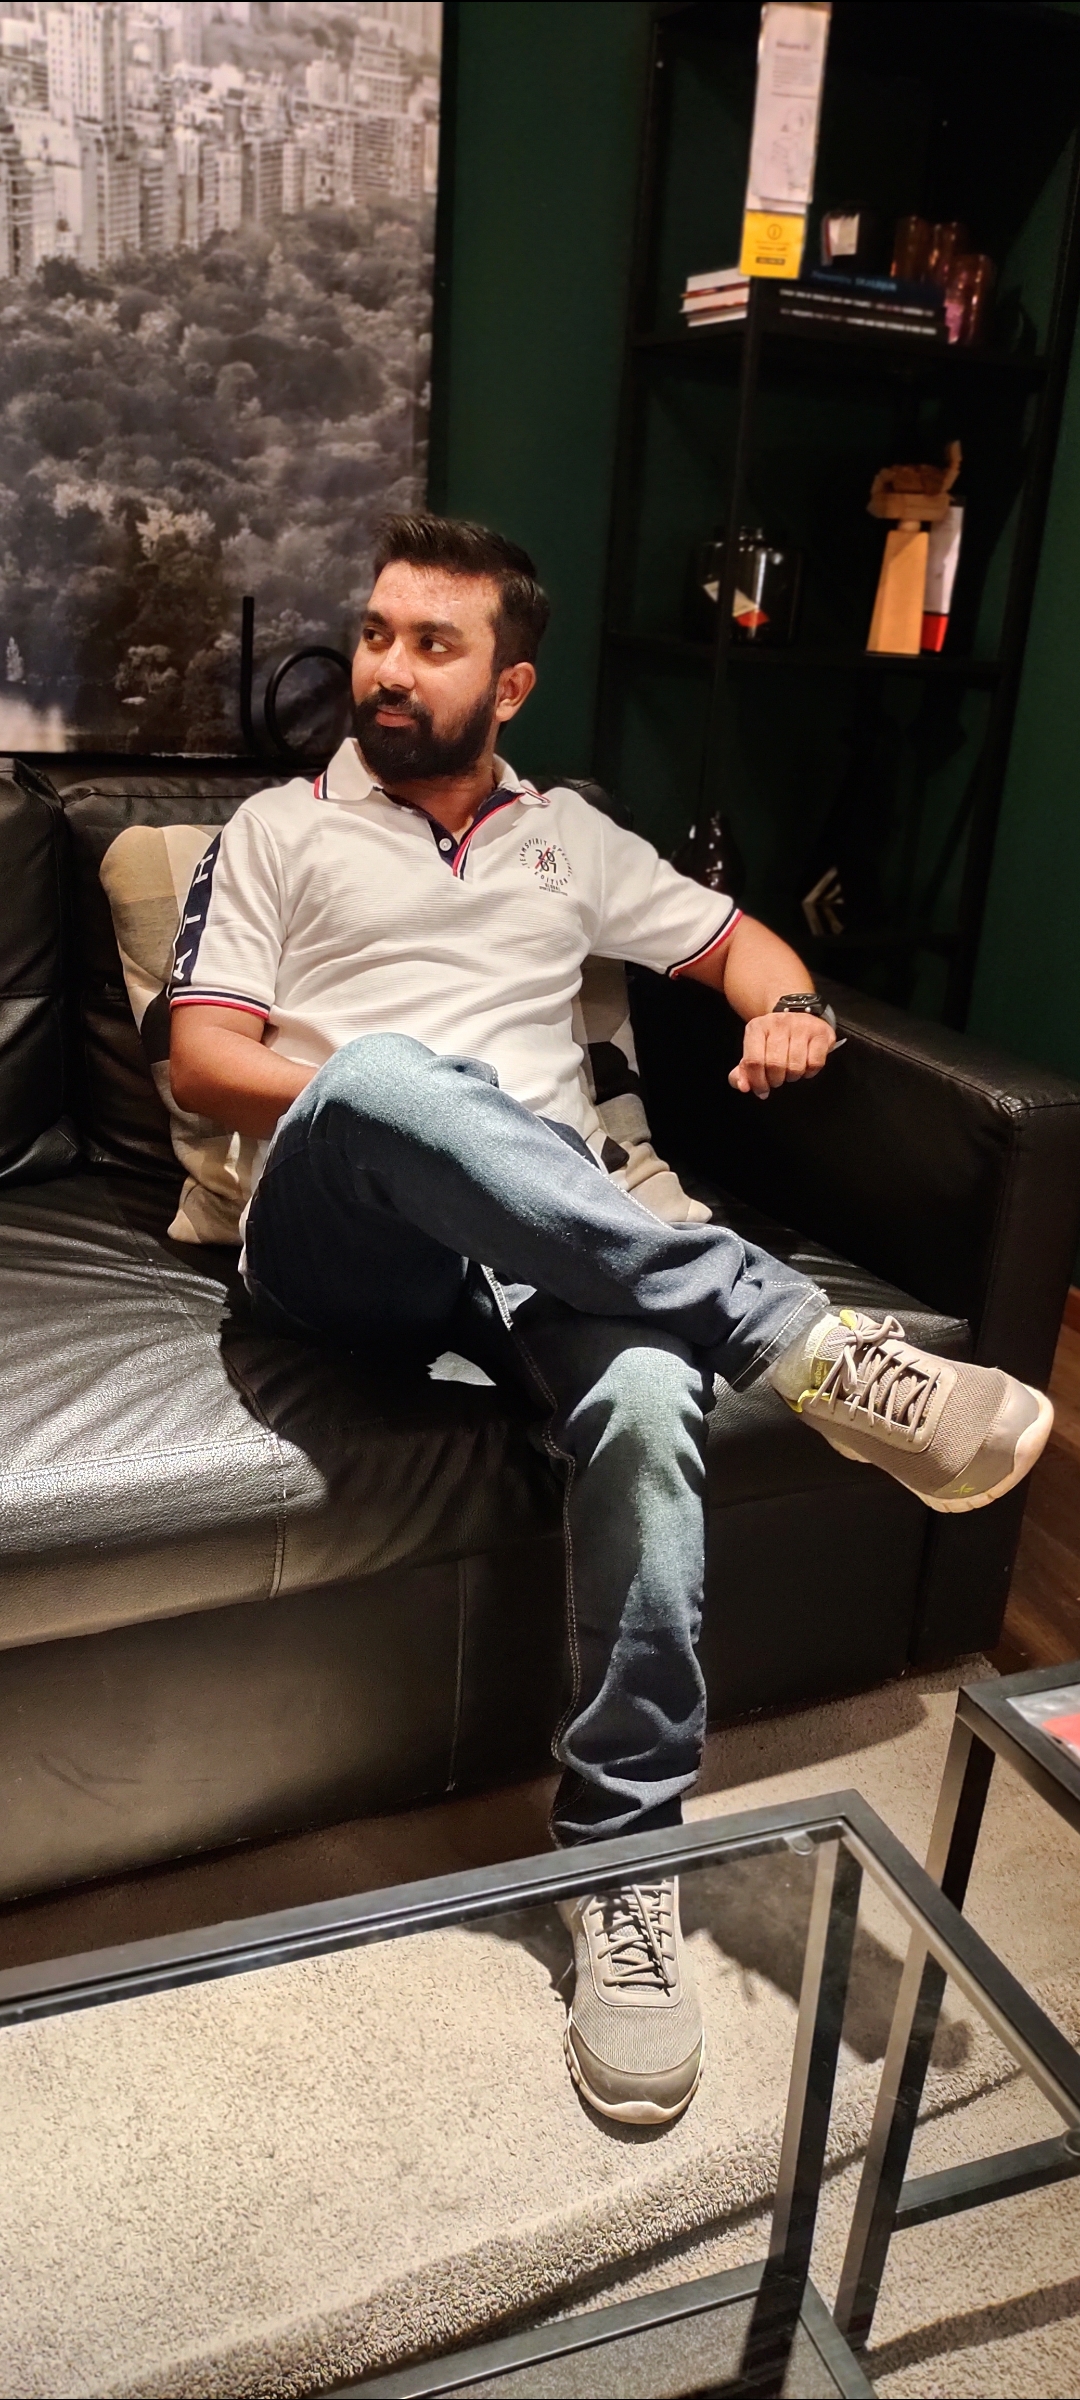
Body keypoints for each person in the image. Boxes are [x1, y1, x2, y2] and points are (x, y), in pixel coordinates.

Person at [170, 514, 1053, 2129]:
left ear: (509, 684)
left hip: (548, 1238)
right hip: (342, 1232)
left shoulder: (572, 838)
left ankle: (624, 1858)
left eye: (432, 645)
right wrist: (409, 1110)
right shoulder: (280, 829)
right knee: (389, 1078)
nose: (386, 667)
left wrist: (792, 1007)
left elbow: (740, 946)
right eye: (377, 634)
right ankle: (801, 1341)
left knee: (649, 1396)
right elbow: (209, 1060)